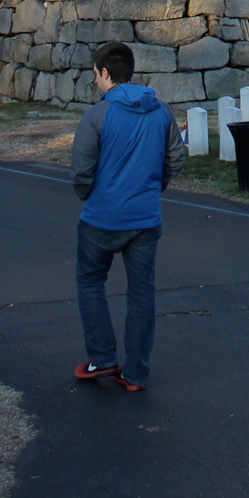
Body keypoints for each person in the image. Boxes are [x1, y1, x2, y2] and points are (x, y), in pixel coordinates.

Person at [70, 40, 185, 391]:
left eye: (95, 75)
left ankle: (102, 357)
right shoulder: (162, 111)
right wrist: (153, 188)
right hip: (146, 219)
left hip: (102, 218)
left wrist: (91, 196)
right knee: (141, 293)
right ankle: (135, 373)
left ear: (105, 73)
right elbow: (175, 160)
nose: (95, 82)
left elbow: (81, 170)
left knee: (90, 281)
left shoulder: (96, 116)